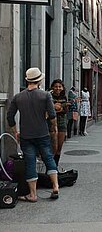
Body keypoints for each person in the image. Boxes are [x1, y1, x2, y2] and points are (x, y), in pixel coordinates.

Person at [6, 67, 59, 202]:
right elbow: (52, 115)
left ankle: (33, 195)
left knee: (30, 162)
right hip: (42, 133)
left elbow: (10, 117)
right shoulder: (45, 95)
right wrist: (54, 129)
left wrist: (15, 132)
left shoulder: (18, 97)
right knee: (48, 158)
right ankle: (55, 186)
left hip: (26, 136)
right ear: (39, 80)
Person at [49, 79, 69, 166]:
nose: (58, 88)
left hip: (62, 122)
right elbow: (47, 110)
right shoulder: (48, 96)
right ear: (52, 87)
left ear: (62, 88)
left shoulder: (64, 97)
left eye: (60, 86)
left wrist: (61, 108)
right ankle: (50, 167)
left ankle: (55, 166)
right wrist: (55, 108)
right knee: (53, 146)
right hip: (51, 123)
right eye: (56, 86)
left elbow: (65, 110)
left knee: (59, 146)